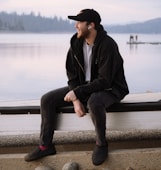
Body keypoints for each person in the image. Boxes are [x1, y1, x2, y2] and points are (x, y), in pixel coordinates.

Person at [24, 9, 129, 166]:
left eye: (79, 22)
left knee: (94, 102)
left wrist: (77, 92)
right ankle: (46, 145)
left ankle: (101, 144)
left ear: (91, 25)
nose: (76, 26)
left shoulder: (108, 45)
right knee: (47, 99)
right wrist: (76, 98)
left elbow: (105, 81)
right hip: (84, 88)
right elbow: (72, 75)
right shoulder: (76, 43)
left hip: (110, 89)